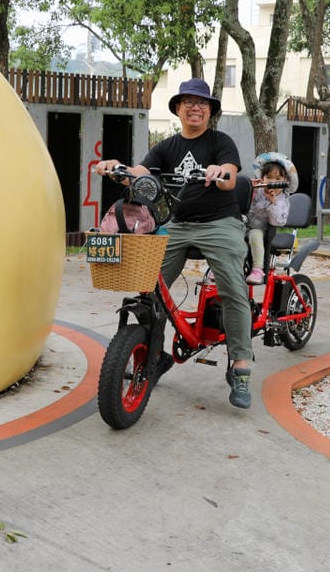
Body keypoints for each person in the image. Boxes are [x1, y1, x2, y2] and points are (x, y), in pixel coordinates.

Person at [93, 78, 255, 409]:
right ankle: (155, 353)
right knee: (149, 289)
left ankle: (240, 366)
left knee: (233, 289)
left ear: (210, 111)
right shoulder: (166, 147)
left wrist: (219, 172)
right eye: (189, 102)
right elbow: (139, 175)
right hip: (177, 225)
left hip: (219, 223)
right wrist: (115, 169)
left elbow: (230, 177)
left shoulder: (220, 141)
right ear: (179, 109)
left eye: (203, 103)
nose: (196, 108)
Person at [245, 153, 298, 284]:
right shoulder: (257, 189)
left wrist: (272, 201)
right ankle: (225, 268)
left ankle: (257, 269)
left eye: (278, 178)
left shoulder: (281, 200)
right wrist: (248, 187)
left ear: (285, 181)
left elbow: (278, 221)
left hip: (264, 230)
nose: (273, 182)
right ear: (262, 178)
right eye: (268, 177)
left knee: (254, 235)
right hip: (244, 225)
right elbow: (245, 204)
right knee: (231, 235)